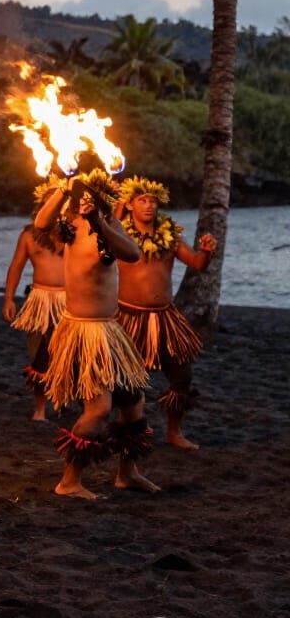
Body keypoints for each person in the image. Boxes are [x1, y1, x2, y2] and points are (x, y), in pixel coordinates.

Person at [34, 168, 155, 500]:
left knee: (133, 403)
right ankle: (69, 481)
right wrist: (61, 187)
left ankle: (127, 473)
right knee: (98, 410)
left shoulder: (107, 228)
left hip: (110, 333)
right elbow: (40, 225)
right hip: (85, 334)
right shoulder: (69, 229)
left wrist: (100, 221)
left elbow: (132, 253)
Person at [115, 176, 216, 450]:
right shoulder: (119, 234)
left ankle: (174, 432)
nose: (148, 206)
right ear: (130, 204)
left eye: (153, 201)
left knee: (182, 376)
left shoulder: (170, 235)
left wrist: (206, 252)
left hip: (165, 318)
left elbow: (196, 263)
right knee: (125, 380)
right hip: (128, 317)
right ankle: (127, 431)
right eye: (142, 200)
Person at [2, 179, 66, 420]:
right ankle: (40, 408)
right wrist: (9, 298)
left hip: (71, 301)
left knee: (70, 354)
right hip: (40, 299)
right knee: (39, 354)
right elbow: (16, 266)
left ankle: (62, 400)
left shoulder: (77, 236)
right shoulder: (29, 235)